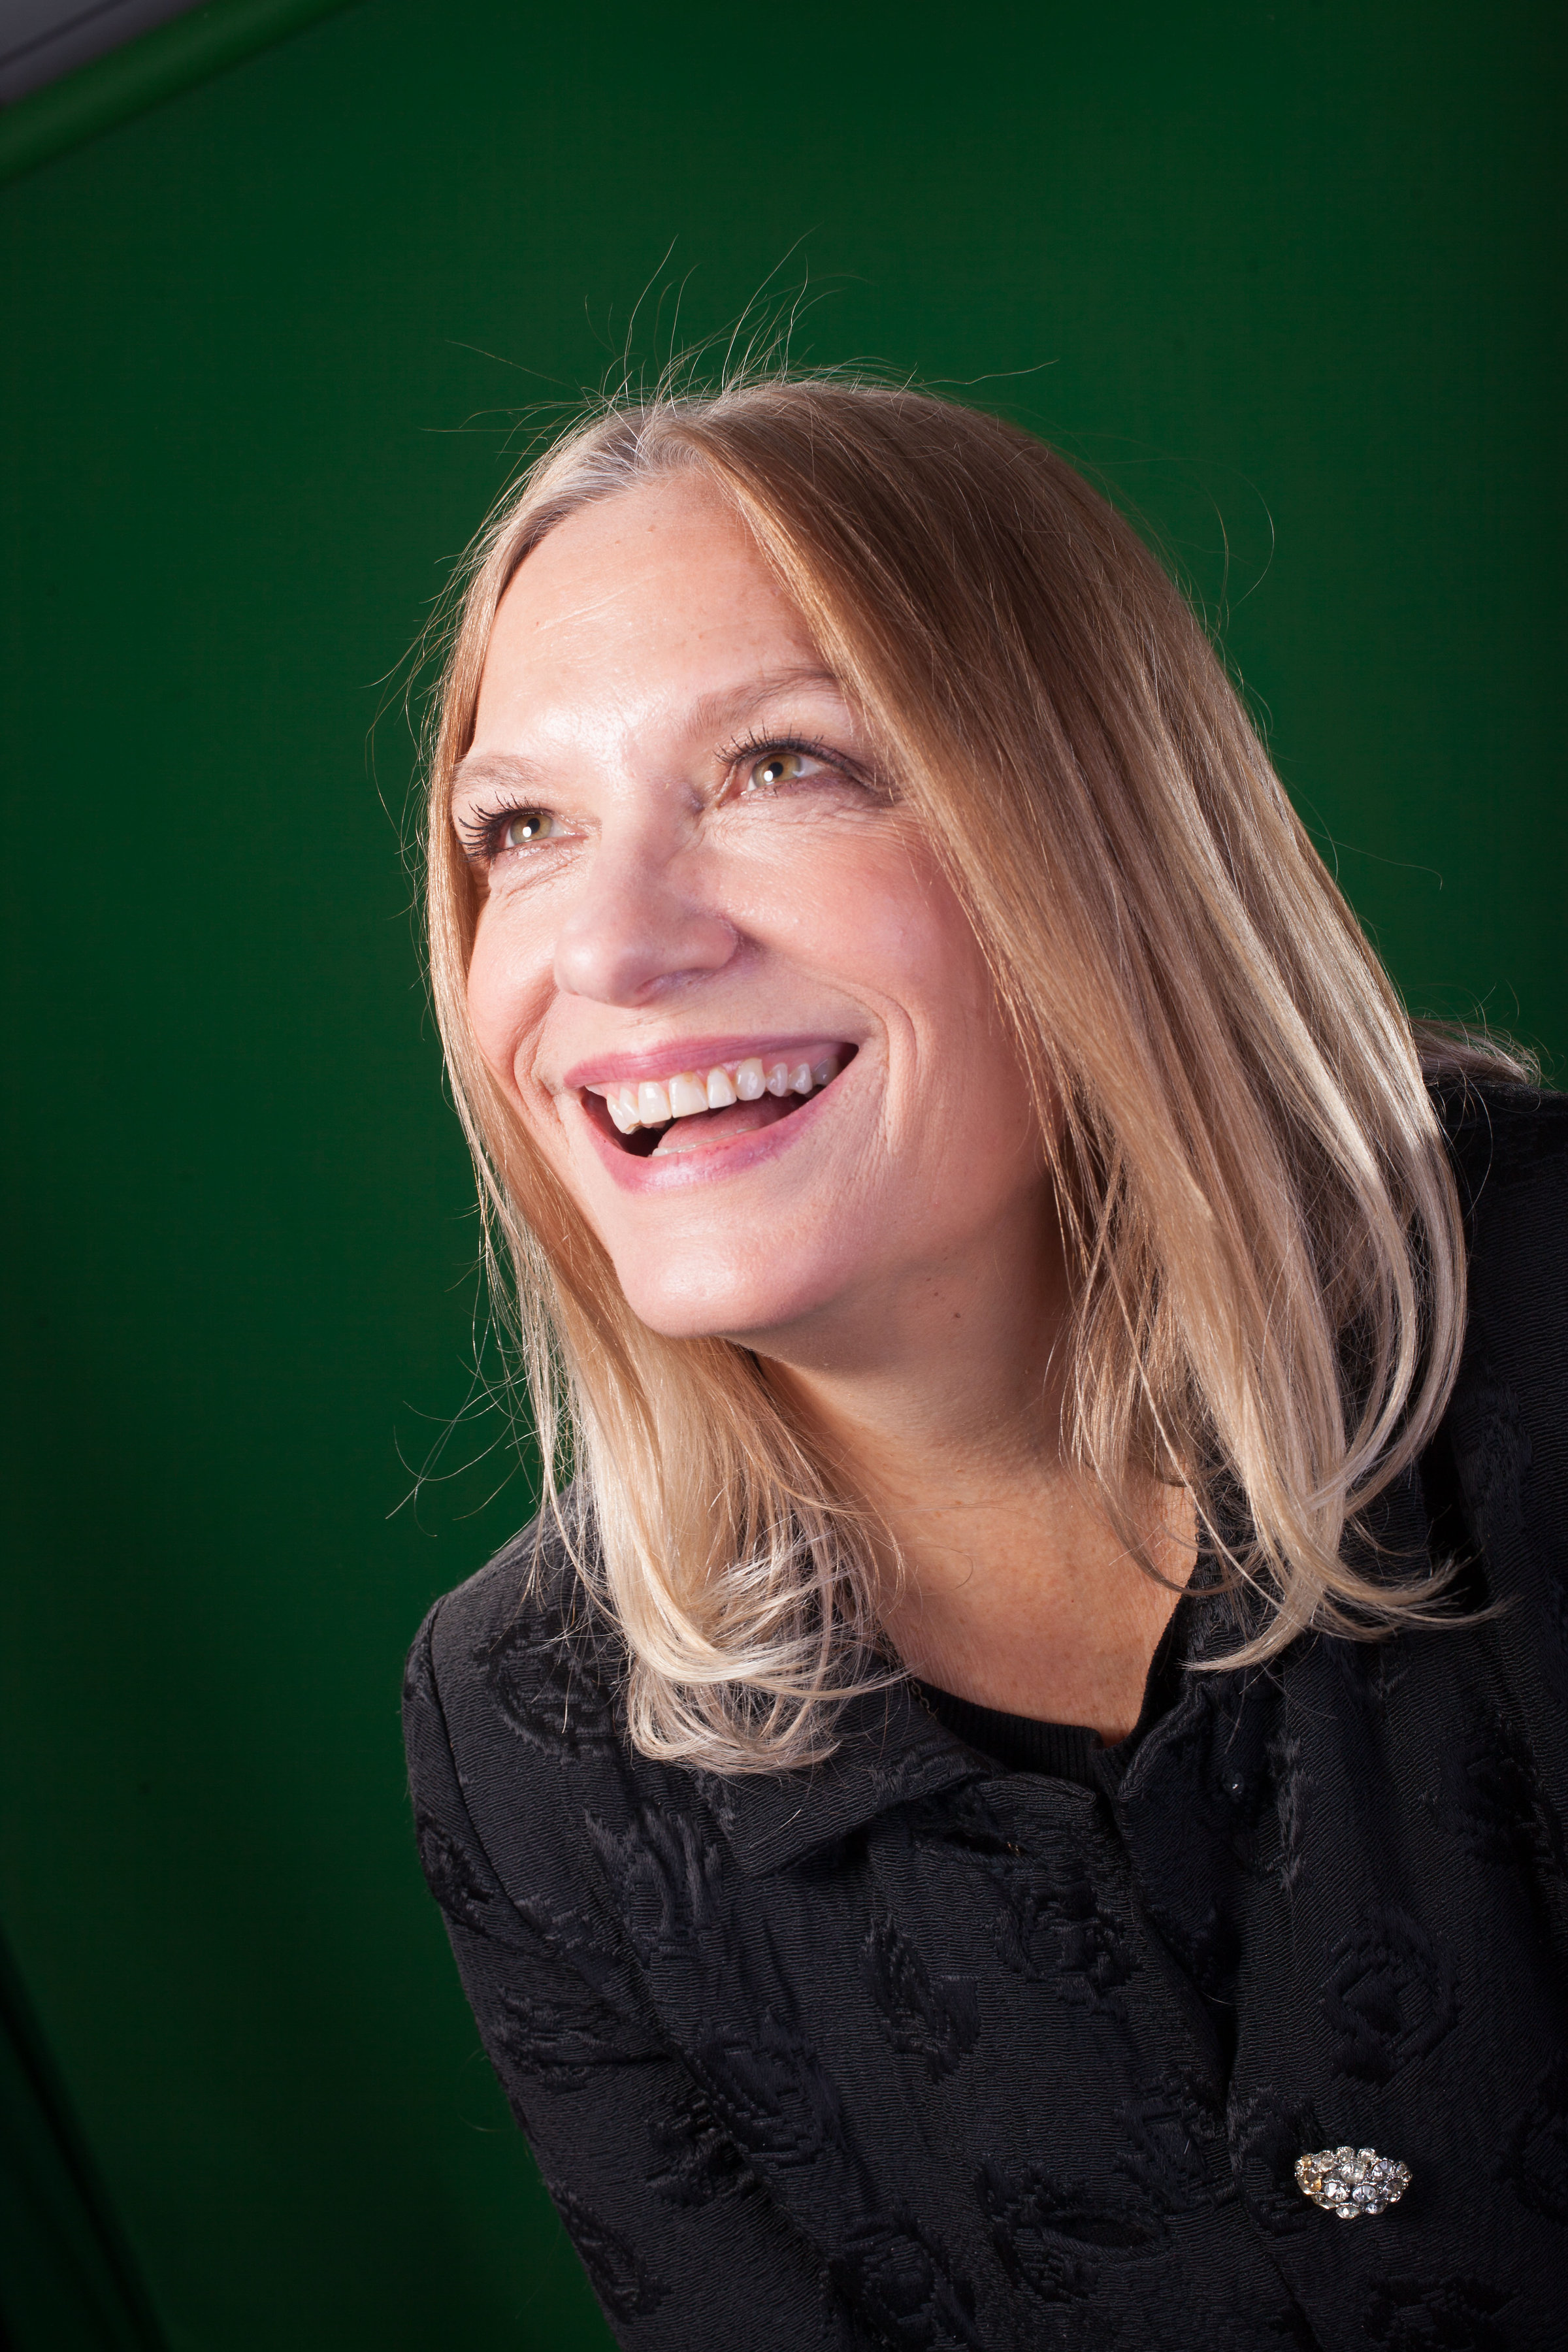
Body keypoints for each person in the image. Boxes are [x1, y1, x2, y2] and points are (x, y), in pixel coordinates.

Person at [402, 376, 1566, 2349]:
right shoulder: (526, 1728)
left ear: (1096, 819)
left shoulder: (1531, 1299)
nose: (608, 944)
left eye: (782, 764)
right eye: (520, 827)